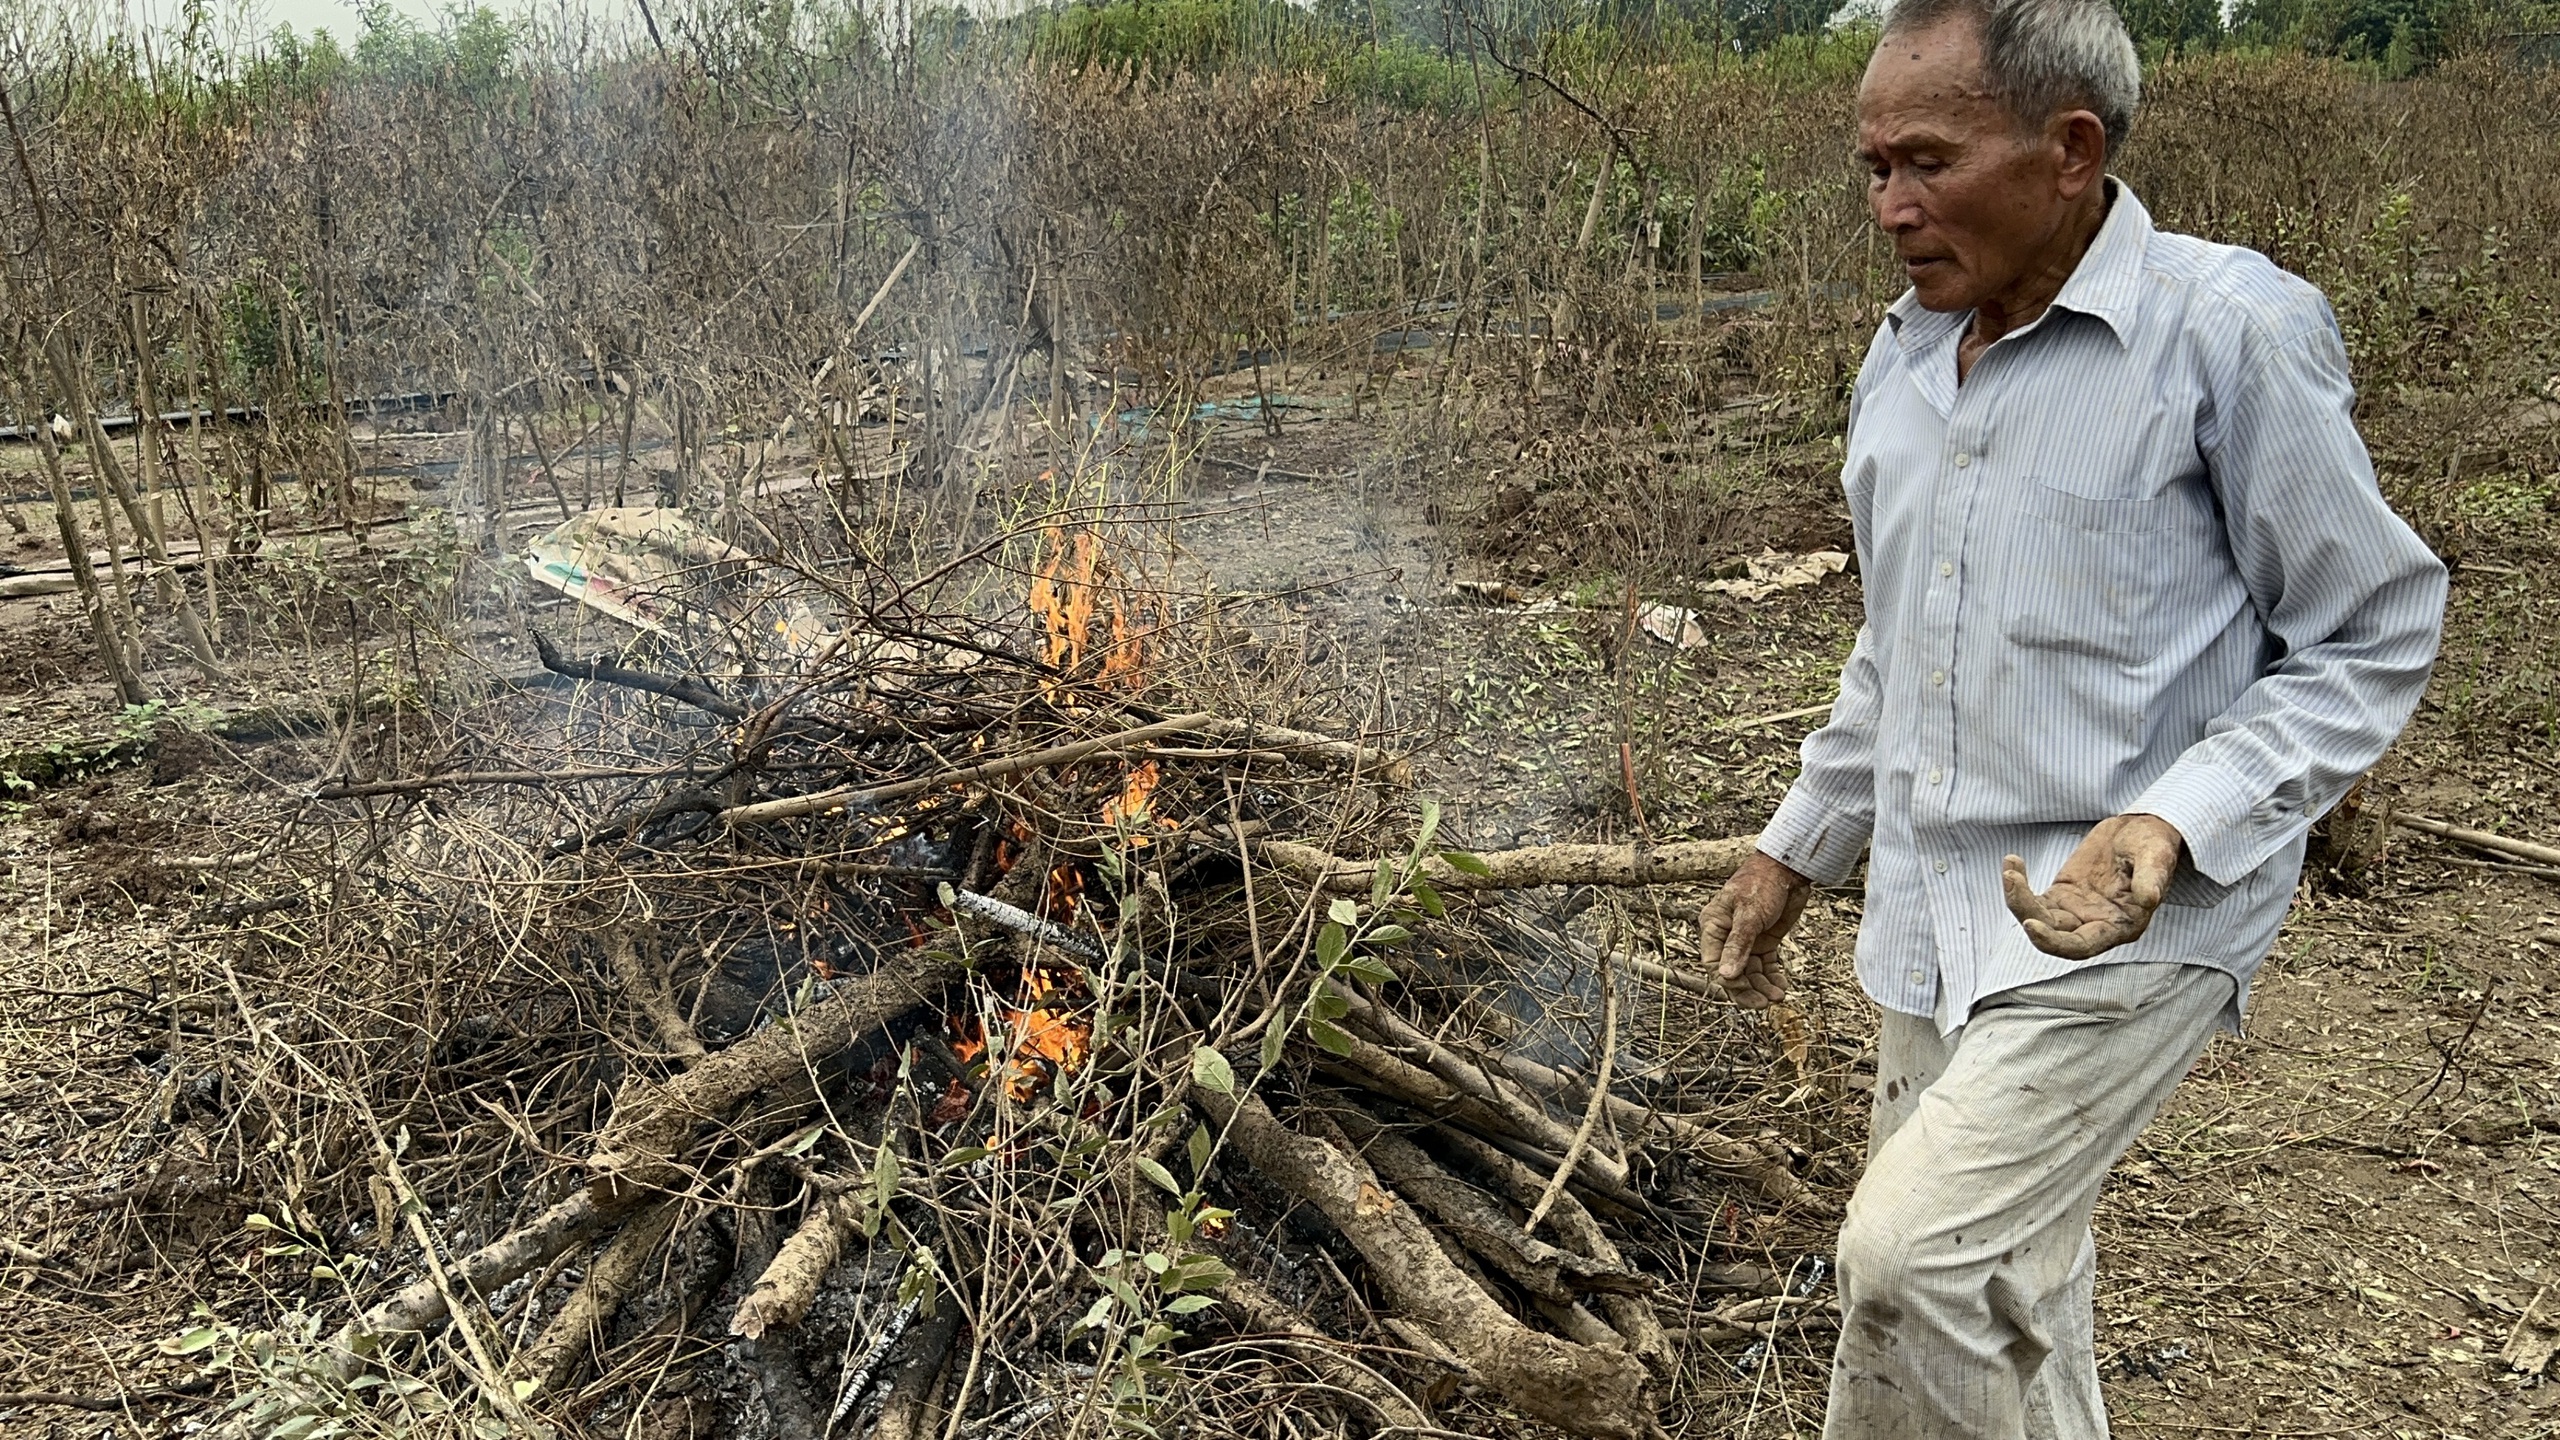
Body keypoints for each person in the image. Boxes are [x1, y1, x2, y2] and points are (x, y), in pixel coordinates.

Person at [1692, 1, 2449, 1435]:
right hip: (1931, 904)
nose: (1889, 206)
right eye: (1871, 168)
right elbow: (1898, 643)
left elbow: (2372, 626)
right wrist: (1798, 848)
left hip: (2134, 919)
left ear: (2070, 149)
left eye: (1925, 161)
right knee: (1981, 1296)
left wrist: (2175, 816)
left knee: (1918, 1259)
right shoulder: (1904, 360)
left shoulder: (2226, 335)